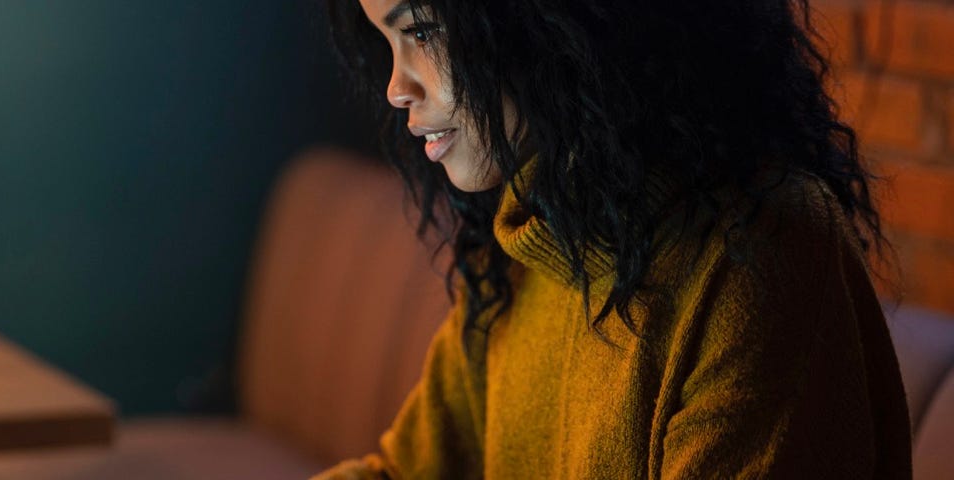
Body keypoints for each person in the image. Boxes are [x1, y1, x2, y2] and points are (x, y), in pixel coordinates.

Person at [315, 0, 913, 478]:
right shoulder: (526, 244)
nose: (396, 87)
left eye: (419, 31)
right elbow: (406, 470)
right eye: (386, 43)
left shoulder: (761, 257)